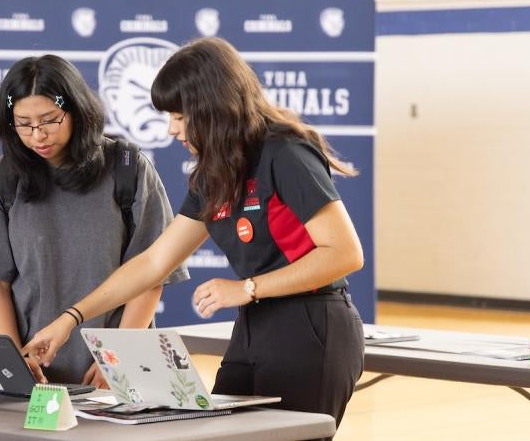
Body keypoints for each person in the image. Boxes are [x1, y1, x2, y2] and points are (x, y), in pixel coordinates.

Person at [23, 37, 365, 430]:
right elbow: (154, 262)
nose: (171, 129)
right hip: (255, 327)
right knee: (210, 434)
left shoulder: (285, 153)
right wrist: (70, 319)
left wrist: (248, 288)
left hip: (313, 325)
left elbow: (344, 253)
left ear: (213, 107)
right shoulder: (215, 171)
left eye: (180, 117)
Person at [0, 54, 188, 386]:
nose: (38, 135)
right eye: (23, 123)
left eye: (50, 120)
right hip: (37, 370)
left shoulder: (127, 168)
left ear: (77, 110)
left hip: (119, 363)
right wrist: (15, 359)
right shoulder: (0, 179)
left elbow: (151, 273)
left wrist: (119, 356)